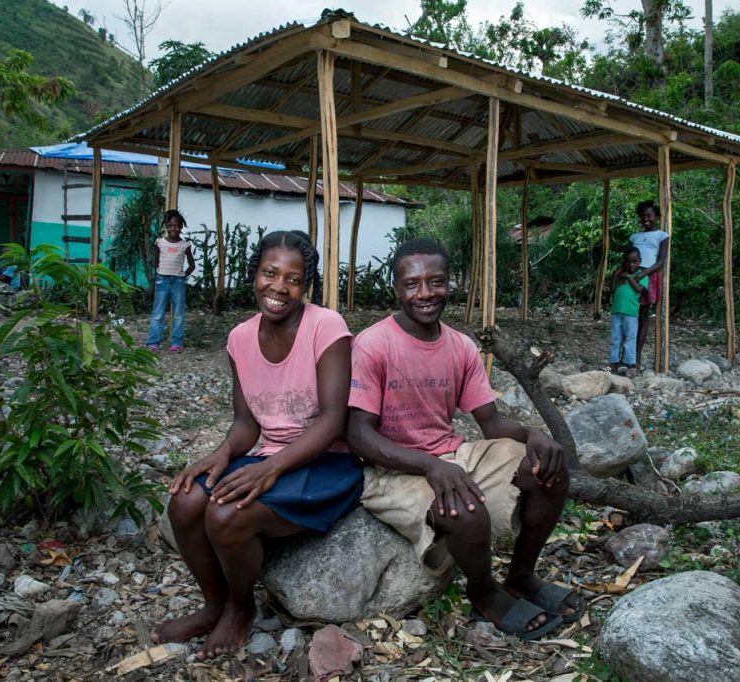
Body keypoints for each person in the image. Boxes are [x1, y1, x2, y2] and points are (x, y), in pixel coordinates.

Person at [347, 237, 584, 641]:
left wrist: (533, 435)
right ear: (396, 288)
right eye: (412, 284)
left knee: (547, 470)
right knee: (463, 506)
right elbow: (357, 435)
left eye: (435, 282)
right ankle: (484, 592)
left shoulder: (460, 346)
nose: (425, 293)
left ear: (449, 283)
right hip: (392, 470)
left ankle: (522, 577)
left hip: (450, 454)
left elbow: (490, 423)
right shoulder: (372, 345)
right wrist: (429, 465)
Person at [156, 230, 360, 657]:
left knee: (226, 515)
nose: (279, 288)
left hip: (327, 462)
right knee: (185, 500)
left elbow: (334, 420)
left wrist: (269, 469)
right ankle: (213, 604)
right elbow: (247, 422)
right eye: (270, 273)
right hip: (268, 454)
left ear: (307, 286)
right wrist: (222, 454)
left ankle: (240, 609)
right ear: (255, 275)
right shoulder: (239, 338)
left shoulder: (327, 326)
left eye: (294, 279)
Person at [146, 210, 195, 353]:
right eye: (170, 225)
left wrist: (183, 275)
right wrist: (161, 272)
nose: (173, 229)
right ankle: (153, 343)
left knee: (179, 314)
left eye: (177, 226)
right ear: (166, 227)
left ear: (181, 227)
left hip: (178, 283)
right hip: (162, 281)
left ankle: (176, 344)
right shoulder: (159, 243)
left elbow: (192, 265)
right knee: (158, 313)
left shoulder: (185, 245)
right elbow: (156, 262)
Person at [629, 199, 669, 367]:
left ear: (656, 216)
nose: (646, 219)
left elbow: (661, 261)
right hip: (632, 275)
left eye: (649, 215)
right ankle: (627, 354)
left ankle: (636, 355)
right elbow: (627, 257)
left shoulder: (662, 235)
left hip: (647, 276)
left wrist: (643, 273)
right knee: (630, 315)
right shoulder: (634, 236)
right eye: (643, 216)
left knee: (643, 316)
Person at [610, 247, 647, 376]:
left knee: (630, 338)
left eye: (634, 262)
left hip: (631, 313)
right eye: (628, 262)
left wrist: (629, 277)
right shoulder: (621, 275)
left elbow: (638, 289)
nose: (631, 264)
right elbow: (613, 289)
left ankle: (629, 363)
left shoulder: (642, 275)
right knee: (615, 338)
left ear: (640, 261)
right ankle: (613, 362)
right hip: (616, 311)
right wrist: (616, 275)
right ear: (624, 262)